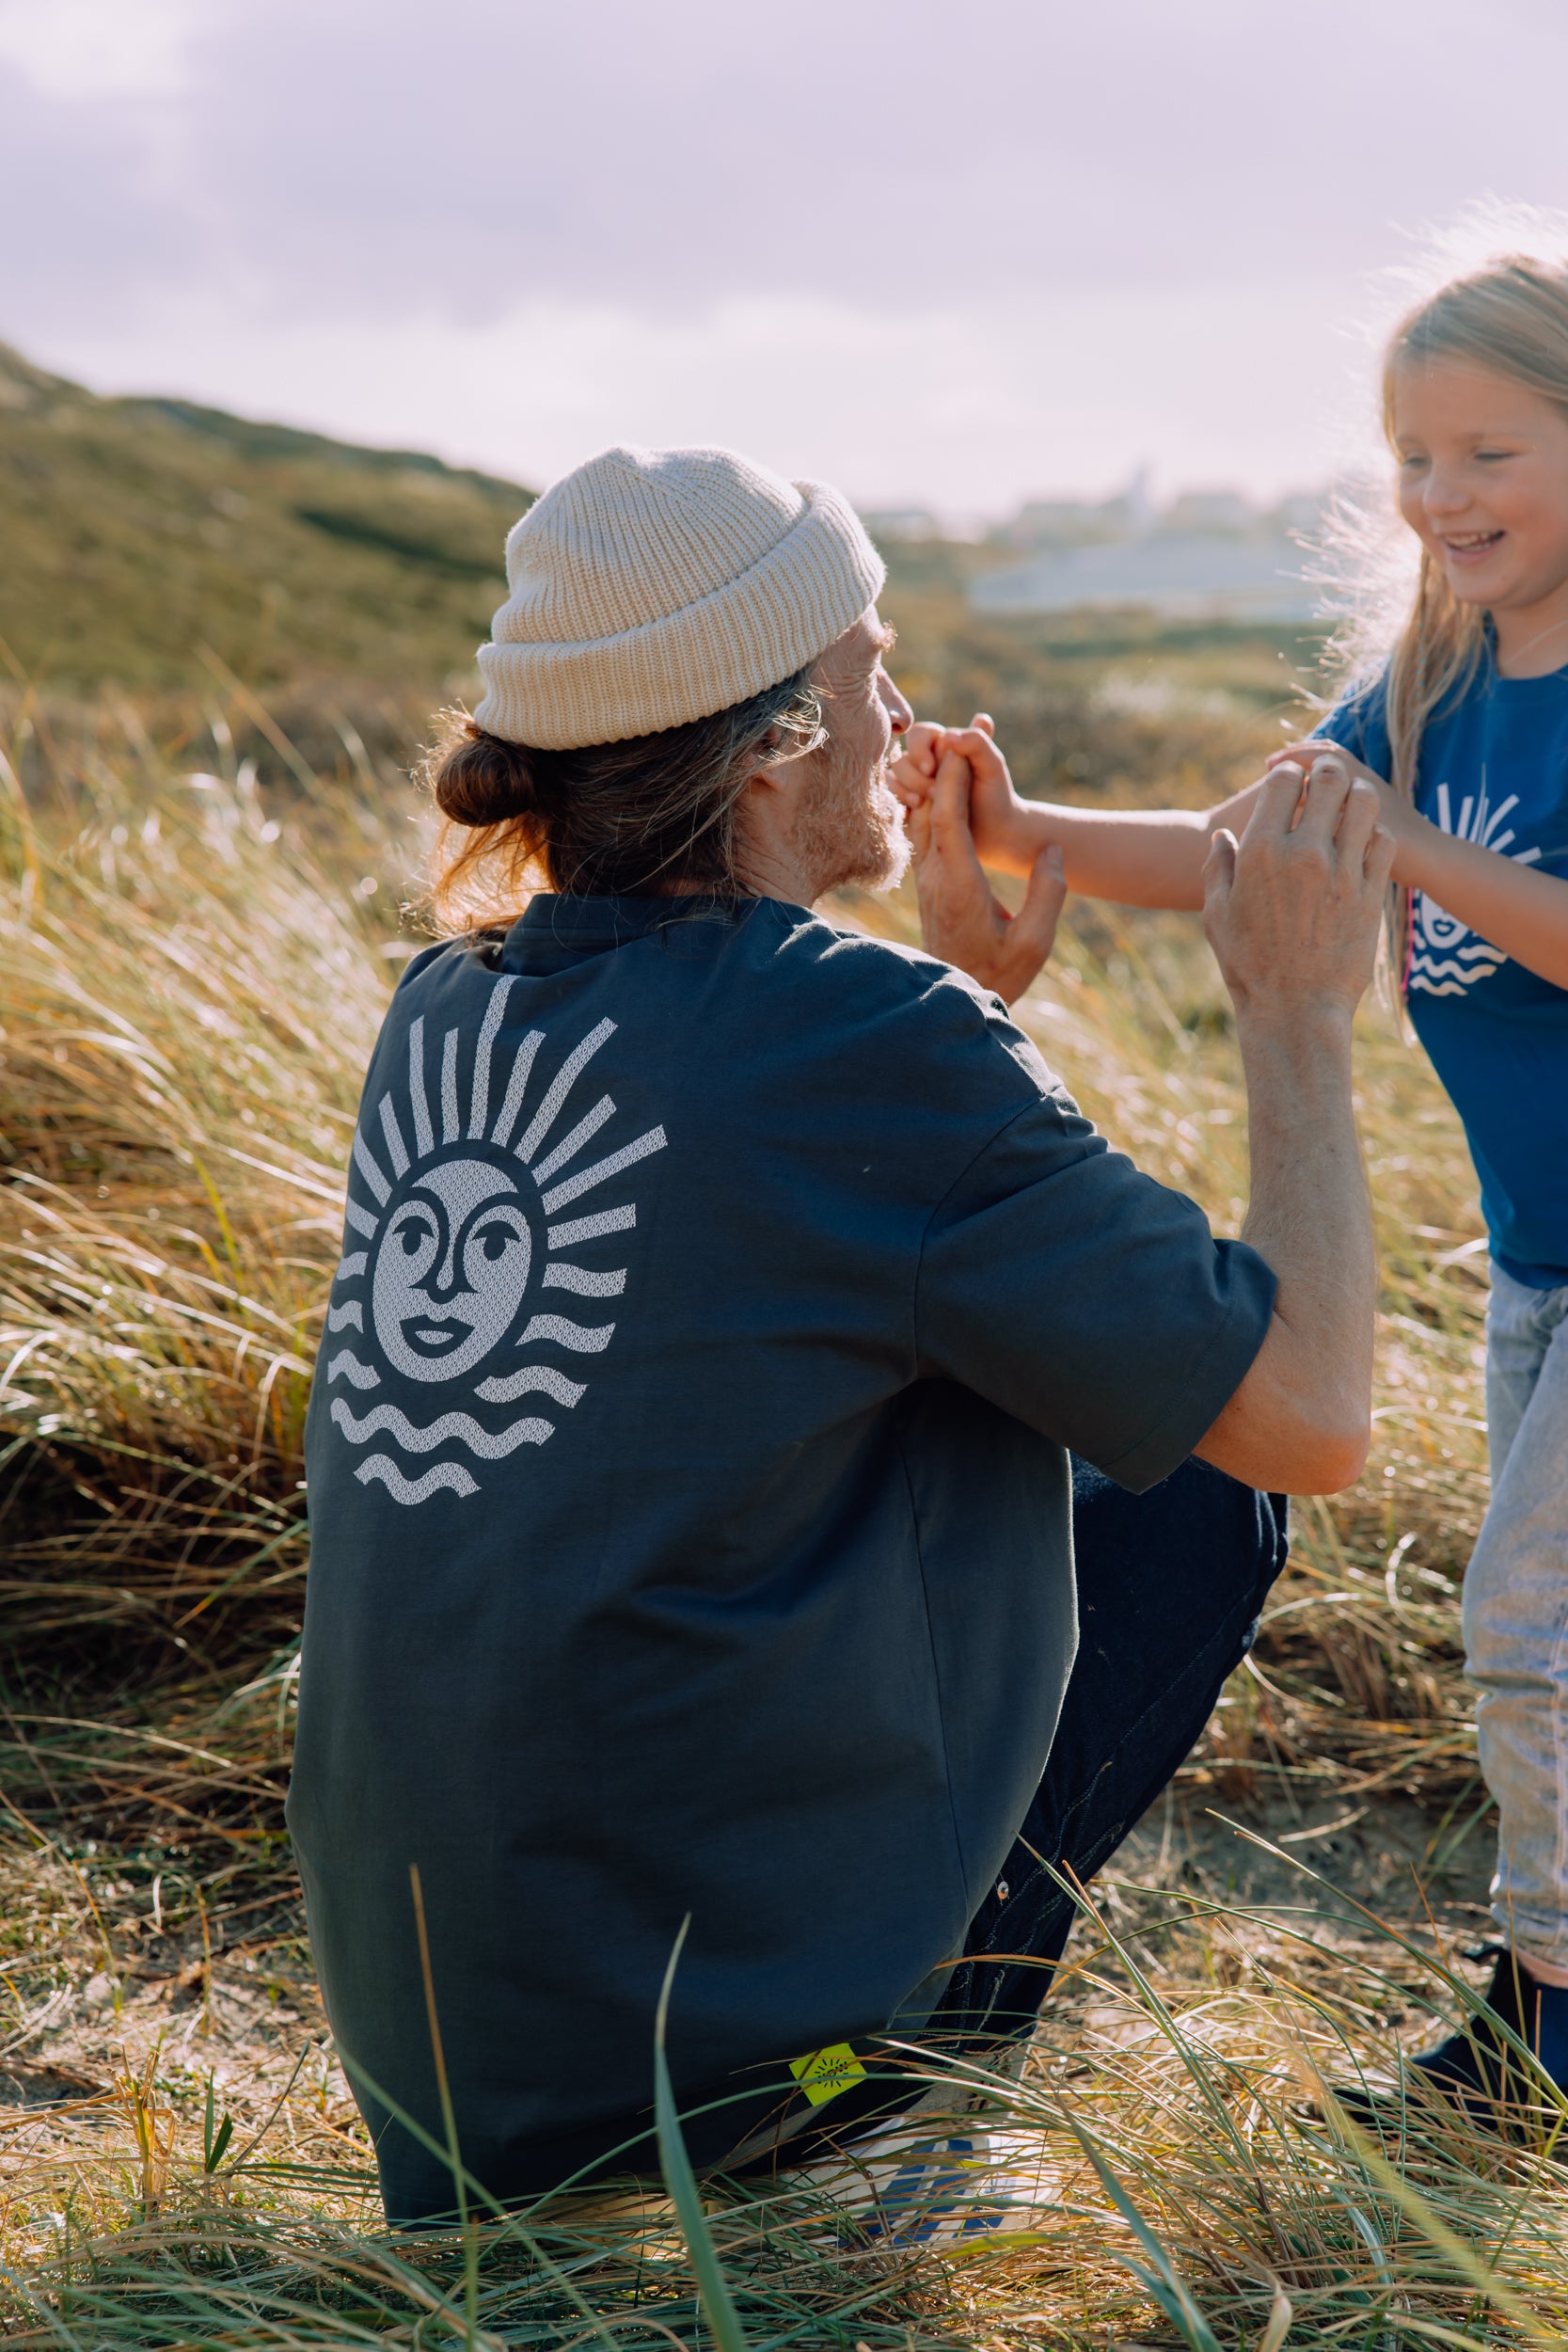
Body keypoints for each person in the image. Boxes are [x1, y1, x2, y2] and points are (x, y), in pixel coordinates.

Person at [287, 442, 1390, 2228]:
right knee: (1199, 1487)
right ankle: (880, 2128)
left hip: (455, 2079)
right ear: (781, 734)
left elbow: (777, 1228)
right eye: (874, 667)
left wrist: (963, 1010)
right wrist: (1293, 1008)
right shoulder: (866, 1043)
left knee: (1002, 1404)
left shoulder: (445, 1009)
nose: (906, 716)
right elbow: (1309, 1416)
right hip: (711, 2109)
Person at [895, 248, 1568, 2128]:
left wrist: (1405, 849)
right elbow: (1235, 853)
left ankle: (1544, 2038)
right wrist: (1015, 829)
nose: (1441, 496)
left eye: (1491, 451)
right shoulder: (1427, 686)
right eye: (1413, 456)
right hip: (1540, 1270)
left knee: (1532, 1636)